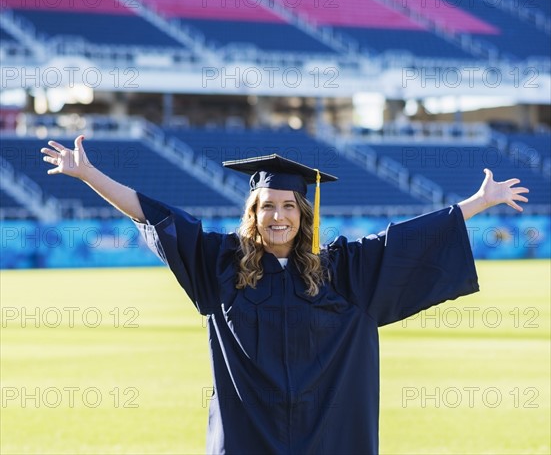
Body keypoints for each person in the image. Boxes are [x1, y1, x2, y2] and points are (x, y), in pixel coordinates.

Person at [41, 135, 529, 455]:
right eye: (268, 206)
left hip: (329, 440)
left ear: (304, 213)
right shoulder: (220, 267)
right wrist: (89, 176)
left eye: (289, 206)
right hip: (248, 438)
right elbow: (155, 217)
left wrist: (478, 202)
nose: (279, 216)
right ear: (253, 212)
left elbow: (407, 241)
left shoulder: (344, 271)